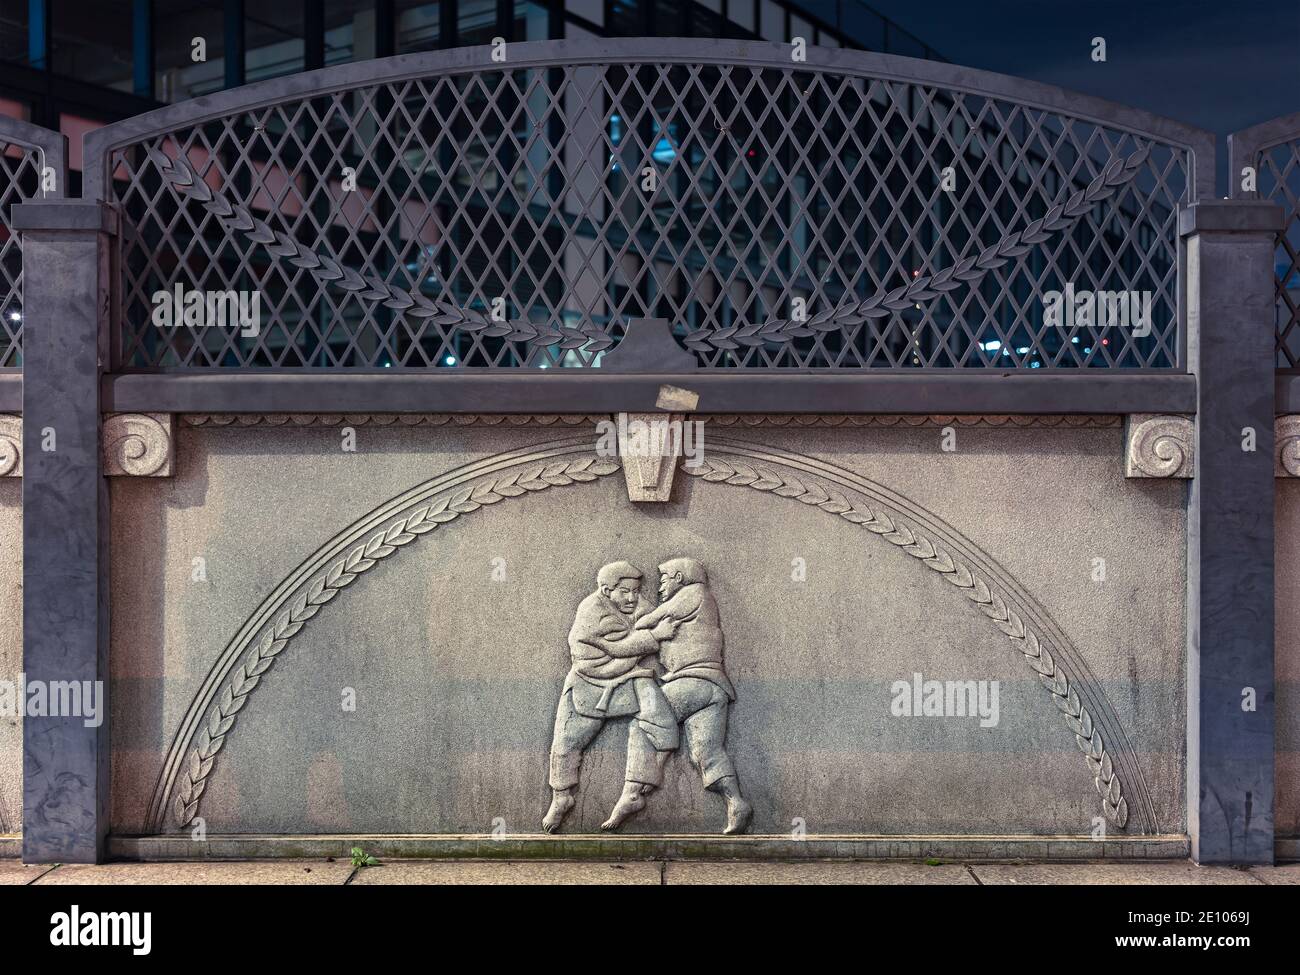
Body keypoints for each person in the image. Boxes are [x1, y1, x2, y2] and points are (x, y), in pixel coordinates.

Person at [542, 561, 681, 833]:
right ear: (607, 591)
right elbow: (614, 647)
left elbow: (652, 618)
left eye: (636, 591)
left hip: (630, 678)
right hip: (589, 681)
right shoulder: (591, 612)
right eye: (624, 592)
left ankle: (635, 791)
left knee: (663, 725)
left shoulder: (637, 605)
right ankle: (561, 796)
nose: (632, 597)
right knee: (567, 740)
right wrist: (653, 636)